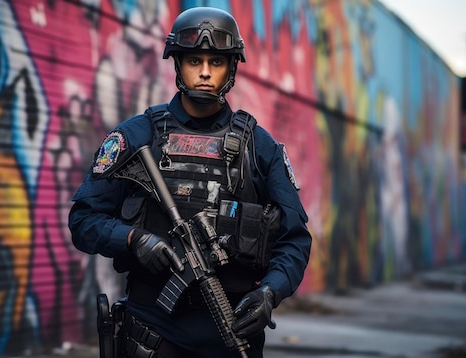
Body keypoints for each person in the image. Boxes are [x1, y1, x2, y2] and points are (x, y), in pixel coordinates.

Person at [69, 6, 312, 358]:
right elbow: (83, 220)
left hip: (231, 333)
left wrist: (269, 293)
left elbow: (295, 240)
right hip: (151, 335)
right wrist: (134, 239)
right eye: (194, 60)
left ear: (231, 68)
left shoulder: (259, 148)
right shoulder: (137, 136)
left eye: (216, 62)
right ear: (177, 64)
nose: (204, 72)